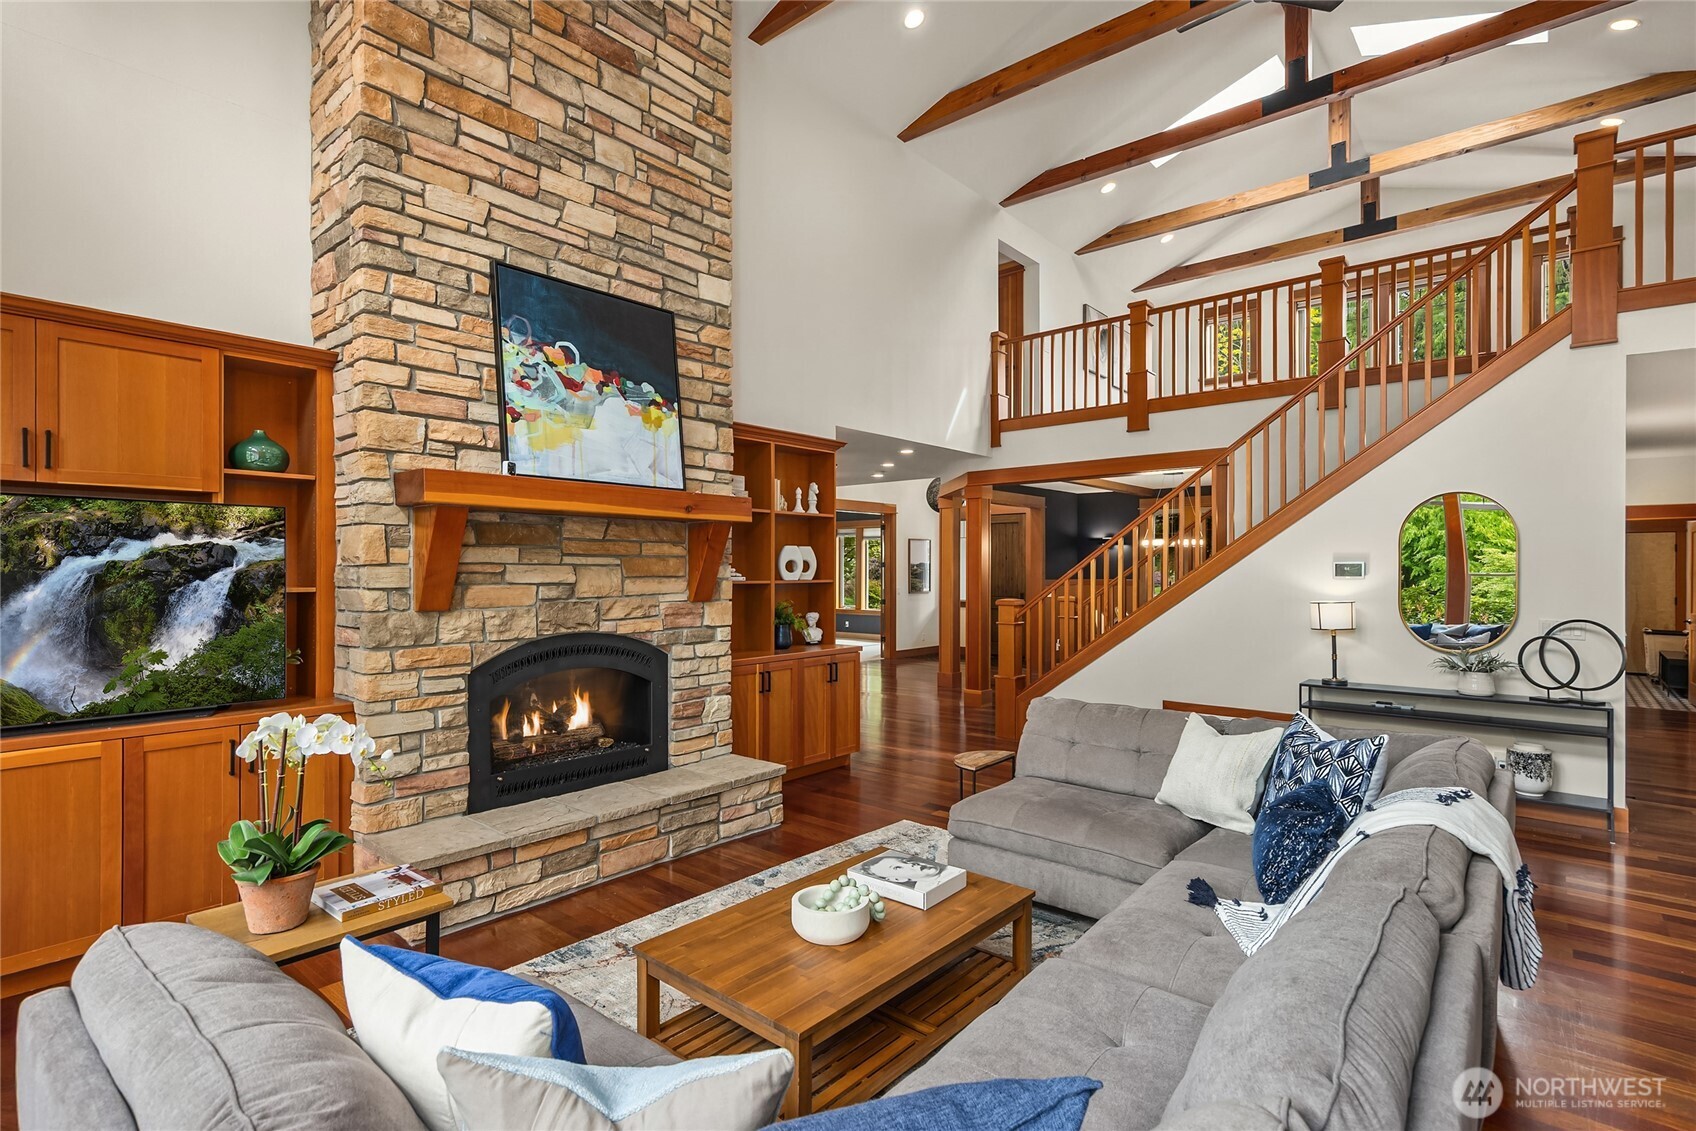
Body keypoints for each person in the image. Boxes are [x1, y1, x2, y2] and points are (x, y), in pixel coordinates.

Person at [853, 854, 946, 890]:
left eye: (904, 861)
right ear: (897, 879)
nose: (912, 864)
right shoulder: (923, 890)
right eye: (898, 868)